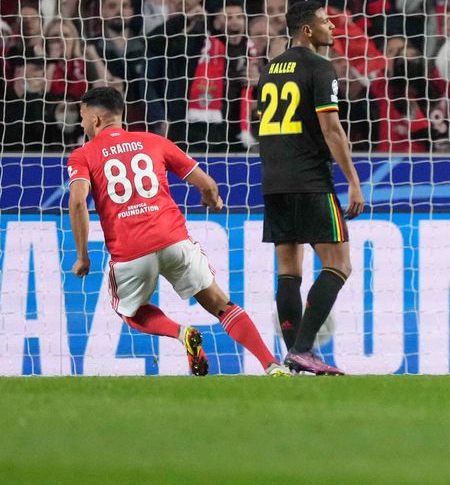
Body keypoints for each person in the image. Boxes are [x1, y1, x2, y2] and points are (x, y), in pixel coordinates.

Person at [66, 86, 286, 377]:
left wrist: (82, 256)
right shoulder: (154, 141)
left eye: (83, 116)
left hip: (130, 252)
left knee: (130, 312)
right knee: (220, 303)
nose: (82, 124)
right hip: (174, 240)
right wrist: (212, 199)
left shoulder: (83, 155)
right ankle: (272, 364)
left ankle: (181, 333)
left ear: (95, 119)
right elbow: (207, 184)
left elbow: (78, 202)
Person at [256, 1, 365, 375]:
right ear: (307, 30)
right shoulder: (320, 67)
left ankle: (293, 357)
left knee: (289, 270)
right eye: (325, 21)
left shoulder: (269, 70)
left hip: (274, 180)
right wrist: (353, 182)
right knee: (339, 264)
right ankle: (302, 349)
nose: (332, 26)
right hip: (310, 179)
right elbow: (331, 129)